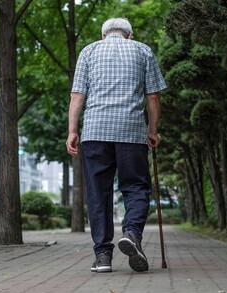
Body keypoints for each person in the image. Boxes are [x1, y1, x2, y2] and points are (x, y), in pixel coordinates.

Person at [66, 18, 167, 273]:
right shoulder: (143, 50)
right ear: (129, 35)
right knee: (136, 188)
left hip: (95, 133)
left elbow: (78, 95)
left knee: (99, 193)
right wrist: (153, 131)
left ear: (103, 35)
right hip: (131, 133)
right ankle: (132, 233)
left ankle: (102, 257)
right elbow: (153, 96)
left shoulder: (89, 51)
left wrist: (72, 131)